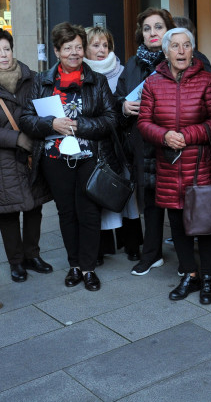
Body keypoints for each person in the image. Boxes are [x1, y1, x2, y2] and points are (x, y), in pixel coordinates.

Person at [20, 22, 118, 292]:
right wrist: (52, 124)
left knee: (88, 212)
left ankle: (88, 268)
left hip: (89, 155)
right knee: (66, 212)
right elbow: (26, 119)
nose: (74, 53)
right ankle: (74, 264)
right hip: (55, 157)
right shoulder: (41, 81)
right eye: (67, 48)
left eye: (78, 47)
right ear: (56, 51)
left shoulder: (96, 80)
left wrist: (78, 125)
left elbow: (111, 119)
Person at [137, 27, 211, 303]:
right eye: (175, 46)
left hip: (200, 164)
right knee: (177, 223)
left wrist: (186, 136)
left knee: (205, 223)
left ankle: (208, 277)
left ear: (193, 49)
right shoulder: (152, 83)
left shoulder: (207, 80)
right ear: (165, 52)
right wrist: (164, 136)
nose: (182, 51)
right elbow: (144, 123)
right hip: (169, 164)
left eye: (187, 45)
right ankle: (190, 274)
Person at [0, 28, 53, 283]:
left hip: (31, 157)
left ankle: (32, 255)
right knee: (8, 212)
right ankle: (16, 261)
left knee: (34, 207)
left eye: (6, 49)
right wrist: (17, 138)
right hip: (1, 160)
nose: (3, 55)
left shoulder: (32, 78)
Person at [115, 8, 176, 276]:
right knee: (150, 203)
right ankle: (151, 254)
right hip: (143, 144)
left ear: (169, 30)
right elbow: (118, 97)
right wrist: (123, 106)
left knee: (177, 202)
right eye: (148, 28)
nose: (153, 33)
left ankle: (187, 258)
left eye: (158, 27)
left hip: (174, 142)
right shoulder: (133, 63)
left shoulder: (183, 57)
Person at [83, 25, 135, 264]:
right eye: (95, 45)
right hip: (96, 143)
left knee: (127, 193)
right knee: (100, 191)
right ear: (85, 48)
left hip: (121, 143)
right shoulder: (82, 74)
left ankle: (132, 243)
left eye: (105, 45)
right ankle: (103, 248)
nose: (101, 50)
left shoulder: (122, 71)